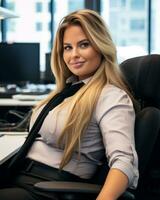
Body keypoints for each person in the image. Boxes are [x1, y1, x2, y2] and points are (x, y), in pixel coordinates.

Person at [0, 9, 139, 200]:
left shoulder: (111, 97)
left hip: (48, 188)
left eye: (83, 45)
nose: (73, 55)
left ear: (100, 46)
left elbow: (124, 162)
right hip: (21, 175)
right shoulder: (70, 90)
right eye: (67, 47)